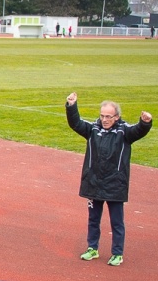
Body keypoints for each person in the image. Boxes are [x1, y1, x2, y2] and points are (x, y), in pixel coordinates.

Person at [65, 92, 152, 267]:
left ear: (117, 117)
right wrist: (71, 106)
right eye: (102, 116)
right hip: (94, 183)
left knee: (117, 222)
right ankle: (92, 248)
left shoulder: (124, 131)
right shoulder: (93, 129)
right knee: (93, 219)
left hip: (115, 185)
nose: (104, 119)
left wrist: (145, 123)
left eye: (108, 116)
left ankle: (117, 253)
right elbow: (76, 123)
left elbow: (138, 131)